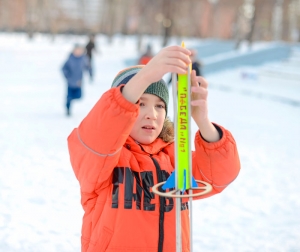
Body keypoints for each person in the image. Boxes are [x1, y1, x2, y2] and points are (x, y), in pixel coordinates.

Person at [67, 45, 240, 252]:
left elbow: (218, 176)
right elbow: (99, 134)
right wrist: (146, 75)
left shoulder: (176, 158)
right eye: (140, 103)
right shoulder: (102, 159)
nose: (152, 114)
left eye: (159, 106)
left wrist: (202, 121)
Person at [61, 44, 89, 116]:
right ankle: (68, 109)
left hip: (78, 82)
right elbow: (63, 68)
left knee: (79, 96)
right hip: (70, 81)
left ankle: (70, 99)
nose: (78, 52)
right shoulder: (70, 59)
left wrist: (90, 74)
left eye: (79, 51)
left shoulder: (83, 59)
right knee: (69, 97)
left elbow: (88, 66)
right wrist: (67, 76)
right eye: (76, 50)